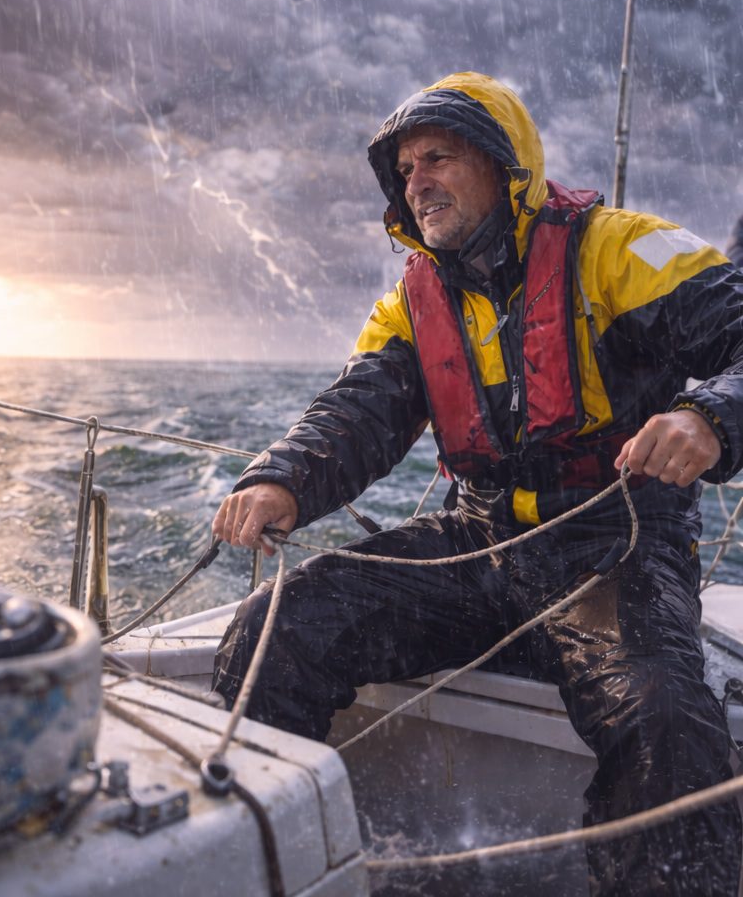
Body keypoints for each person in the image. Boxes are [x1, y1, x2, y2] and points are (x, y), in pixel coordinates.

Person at [210, 72, 743, 896]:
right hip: (477, 542)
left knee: (669, 728)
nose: (416, 181)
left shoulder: (619, 251)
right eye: (405, 169)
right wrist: (282, 477)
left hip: (614, 549)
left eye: (438, 157)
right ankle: (286, 873)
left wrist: (710, 415)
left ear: (503, 164)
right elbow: (358, 411)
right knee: (270, 634)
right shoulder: (412, 302)